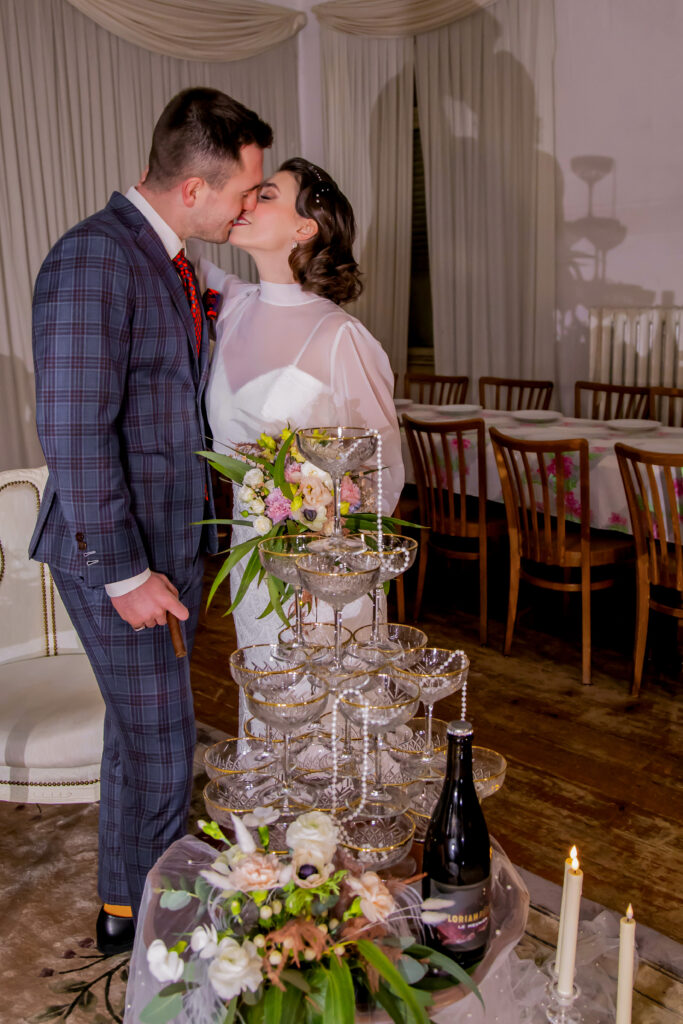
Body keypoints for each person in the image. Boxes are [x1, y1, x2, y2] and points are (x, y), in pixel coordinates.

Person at [29, 87, 272, 954]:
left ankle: (124, 905)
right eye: (245, 193)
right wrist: (127, 574)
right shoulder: (96, 257)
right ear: (194, 190)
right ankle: (161, 934)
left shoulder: (163, 257)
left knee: (142, 734)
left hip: (171, 544)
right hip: (120, 556)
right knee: (168, 745)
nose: (251, 206)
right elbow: (71, 426)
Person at [203, 158, 404, 662]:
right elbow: (169, 235)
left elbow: (382, 465)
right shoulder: (233, 305)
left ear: (304, 227)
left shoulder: (341, 337)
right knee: (268, 704)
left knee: (324, 716)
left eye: (265, 195)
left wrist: (335, 562)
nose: (247, 202)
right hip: (250, 554)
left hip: (324, 569)